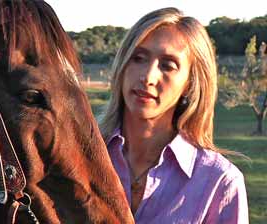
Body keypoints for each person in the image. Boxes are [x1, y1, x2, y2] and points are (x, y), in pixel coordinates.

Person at [99, 7, 248, 223]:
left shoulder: (219, 183)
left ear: (190, 84)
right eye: (138, 58)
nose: (148, 76)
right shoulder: (79, 156)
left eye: (168, 65)